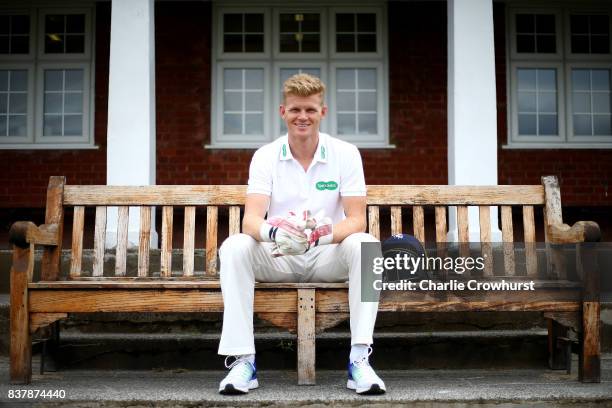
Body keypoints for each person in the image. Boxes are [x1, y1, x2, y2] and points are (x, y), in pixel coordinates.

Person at [217, 73, 385, 395]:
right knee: (235, 247)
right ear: (283, 112)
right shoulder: (266, 156)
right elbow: (250, 221)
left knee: (366, 247)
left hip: (327, 255)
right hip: (279, 254)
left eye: (310, 109)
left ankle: (360, 360)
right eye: (295, 110)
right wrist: (276, 231)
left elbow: (356, 221)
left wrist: (318, 235)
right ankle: (243, 363)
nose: (302, 117)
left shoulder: (346, 154)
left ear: (323, 112)